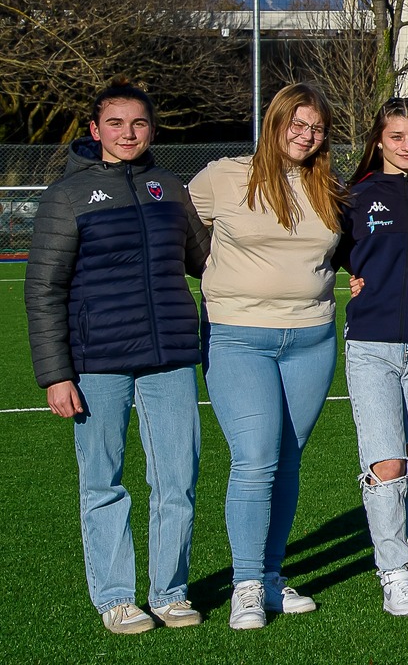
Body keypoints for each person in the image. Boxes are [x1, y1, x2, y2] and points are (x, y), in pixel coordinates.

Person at [27, 83, 209, 634]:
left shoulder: (171, 189)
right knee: (104, 481)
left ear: (152, 130)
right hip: (97, 361)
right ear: (95, 130)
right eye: (116, 123)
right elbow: (43, 290)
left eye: (138, 124)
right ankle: (116, 598)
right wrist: (57, 375)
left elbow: (207, 261)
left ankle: (170, 593)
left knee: (177, 478)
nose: (127, 133)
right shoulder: (68, 196)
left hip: (170, 357)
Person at [189, 82, 346, 630]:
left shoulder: (326, 186)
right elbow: (181, 233)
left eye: (316, 129)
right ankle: (247, 585)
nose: (305, 137)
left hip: (312, 338)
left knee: (288, 460)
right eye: (295, 125)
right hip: (238, 337)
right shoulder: (222, 176)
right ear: (274, 123)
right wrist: (217, 277)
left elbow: (344, 249)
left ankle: (274, 578)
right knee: (255, 459)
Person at [337, 97, 408, 617]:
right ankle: (395, 573)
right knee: (386, 464)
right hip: (371, 345)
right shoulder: (353, 197)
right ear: (378, 141)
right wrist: (349, 278)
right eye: (396, 137)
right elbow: (323, 254)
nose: (406, 146)